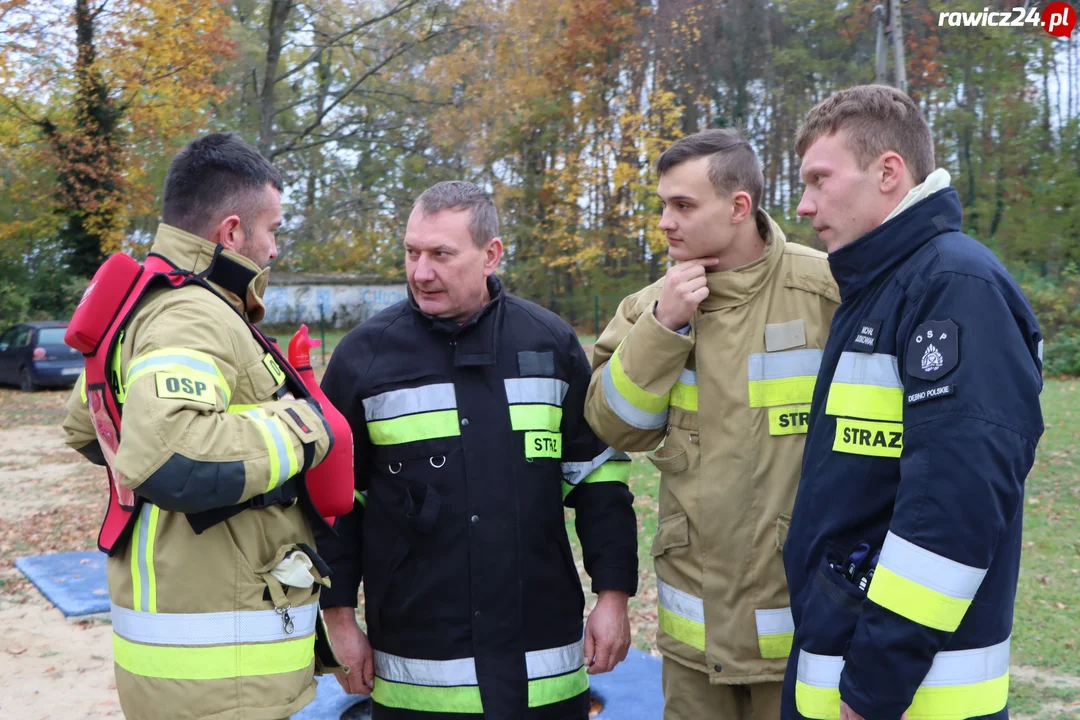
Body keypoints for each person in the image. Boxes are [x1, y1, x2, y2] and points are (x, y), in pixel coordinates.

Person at [316, 181, 639, 719]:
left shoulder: (550, 344)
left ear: (490, 255)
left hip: (544, 670)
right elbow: (335, 506)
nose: (421, 271)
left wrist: (613, 597)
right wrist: (340, 618)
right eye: (411, 252)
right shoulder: (362, 358)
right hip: (416, 671)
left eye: (441, 254)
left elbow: (599, 482)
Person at [781, 85, 1044, 720]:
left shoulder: (952, 286)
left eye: (819, 179)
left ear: (889, 172)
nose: (803, 204)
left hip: (909, 698)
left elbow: (954, 509)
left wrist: (874, 687)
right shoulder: (881, 286)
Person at [62, 132, 336, 719]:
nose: (274, 250)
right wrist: (304, 424)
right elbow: (172, 456)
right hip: (221, 675)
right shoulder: (191, 313)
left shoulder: (142, 301)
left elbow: (90, 428)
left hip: (189, 662)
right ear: (232, 232)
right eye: (273, 231)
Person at [585, 129, 840, 719]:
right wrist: (663, 328)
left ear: (738, 207)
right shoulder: (650, 306)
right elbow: (614, 426)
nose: (666, 222)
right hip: (695, 648)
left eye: (683, 205)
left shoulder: (827, 291)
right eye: (662, 205)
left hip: (805, 639)